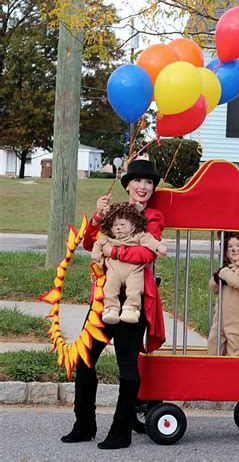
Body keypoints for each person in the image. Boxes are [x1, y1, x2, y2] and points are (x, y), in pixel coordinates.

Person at [61, 159, 166, 450]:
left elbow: (145, 254)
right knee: (84, 360)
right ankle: (84, 424)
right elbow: (87, 244)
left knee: (127, 368)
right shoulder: (115, 212)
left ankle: (121, 431)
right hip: (103, 302)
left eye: (149, 183)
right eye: (138, 181)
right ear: (127, 185)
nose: (144, 187)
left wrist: (109, 249)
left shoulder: (153, 217)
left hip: (133, 303)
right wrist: (97, 217)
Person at [91, 202, 167, 324]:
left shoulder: (138, 236)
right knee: (110, 287)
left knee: (135, 288)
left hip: (133, 270)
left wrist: (159, 247)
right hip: (113, 270)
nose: (119, 228)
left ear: (133, 225)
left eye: (122, 225)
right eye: (115, 225)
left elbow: (149, 242)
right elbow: (96, 245)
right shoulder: (109, 237)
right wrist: (97, 260)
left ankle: (131, 309)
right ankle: (111, 308)